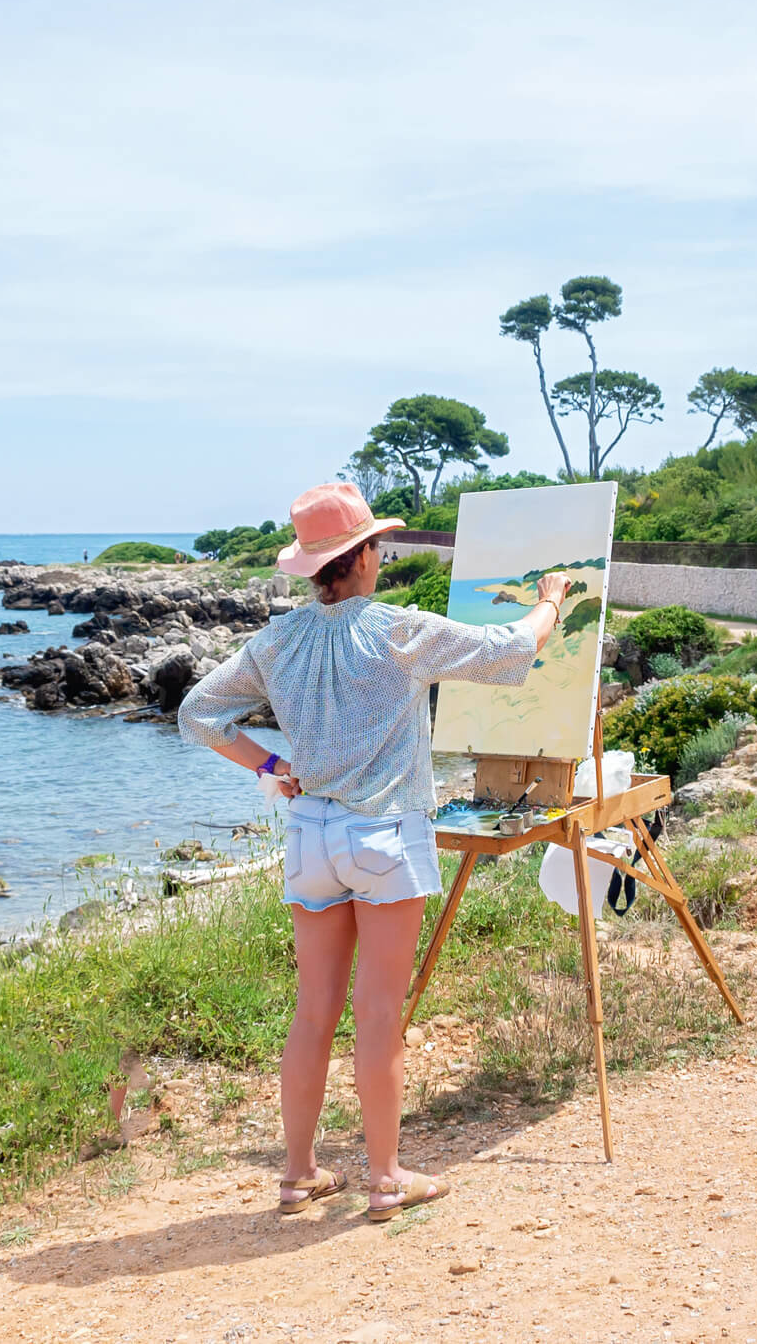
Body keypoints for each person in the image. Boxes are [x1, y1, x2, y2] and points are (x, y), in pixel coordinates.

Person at [178, 482, 572, 1222]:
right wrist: (551, 598)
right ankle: (386, 1179)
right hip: (386, 836)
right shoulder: (395, 629)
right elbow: (512, 646)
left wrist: (267, 766)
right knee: (380, 1012)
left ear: (312, 568)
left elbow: (198, 711)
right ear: (362, 557)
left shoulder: (278, 640)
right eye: (378, 548)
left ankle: (298, 1175)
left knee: (313, 1011)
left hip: (312, 837)